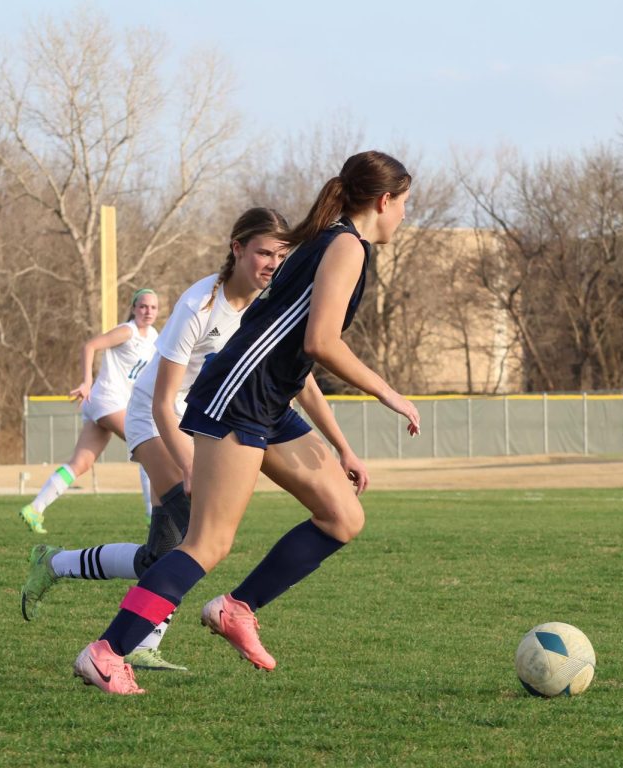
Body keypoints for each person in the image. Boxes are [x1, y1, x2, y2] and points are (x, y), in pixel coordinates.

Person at [71, 151, 421, 694]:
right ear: (384, 201)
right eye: (404, 204)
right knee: (206, 543)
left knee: (342, 516)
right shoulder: (346, 245)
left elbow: (294, 354)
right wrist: (388, 391)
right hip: (240, 397)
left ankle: (237, 609)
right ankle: (107, 652)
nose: (404, 216)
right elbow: (320, 343)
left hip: (268, 400)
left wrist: (342, 446)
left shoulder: (337, 242)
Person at [21, 208, 369, 674]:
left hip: (217, 414)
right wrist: (188, 466)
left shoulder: (271, 300)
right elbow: (163, 401)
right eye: (263, 252)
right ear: (237, 248)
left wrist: (341, 444)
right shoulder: (199, 304)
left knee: (162, 553)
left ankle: (58, 565)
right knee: (189, 533)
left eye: (281, 254)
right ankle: (133, 642)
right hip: (155, 417)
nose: (272, 263)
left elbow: (299, 380)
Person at [19, 290, 160, 534]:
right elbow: (90, 346)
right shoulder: (128, 331)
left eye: (153, 308)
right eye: (143, 306)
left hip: (109, 403)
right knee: (148, 445)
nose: (148, 311)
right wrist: (86, 382)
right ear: (134, 308)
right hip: (106, 399)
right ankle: (152, 517)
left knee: (80, 463)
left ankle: (35, 509)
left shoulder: (155, 337)